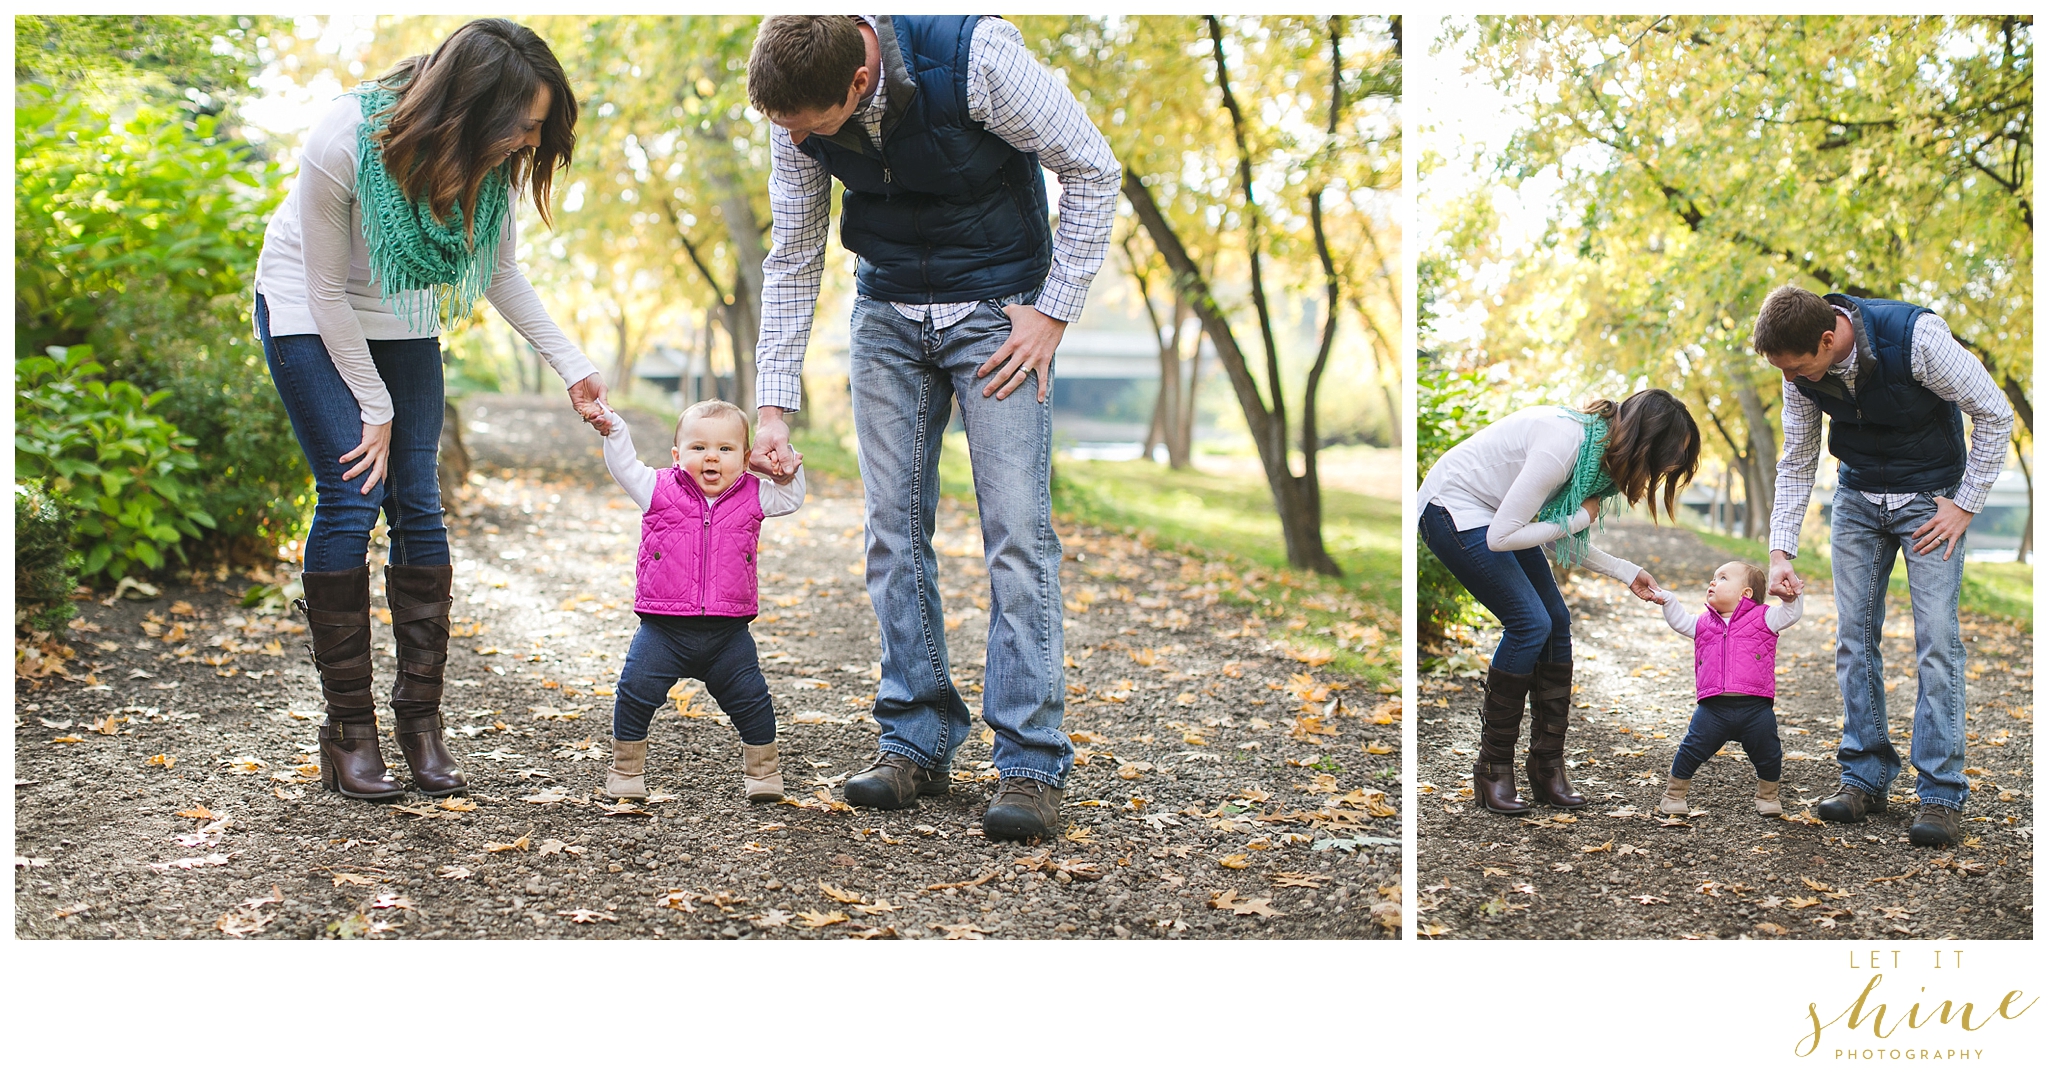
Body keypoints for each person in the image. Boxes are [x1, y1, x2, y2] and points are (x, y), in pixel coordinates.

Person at [741, 15, 1120, 840]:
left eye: (807, 122)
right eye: (783, 124)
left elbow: (1093, 169)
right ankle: (914, 738)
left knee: (1016, 534)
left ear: (857, 80)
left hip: (998, 314)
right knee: (892, 531)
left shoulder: (976, 58)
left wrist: (1053, 314)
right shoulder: (795, 116)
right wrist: (773, 405)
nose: (794, 137)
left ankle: (1029, 763)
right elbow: (796, 252)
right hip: (885, 316)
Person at [254, 19, 609, 801]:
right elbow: (323, 292)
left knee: (420, 504)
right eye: (523, 124)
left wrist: (574, 366)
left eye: (539, 129)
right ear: (474, 105)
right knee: (352, 498)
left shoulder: (490, 162)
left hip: (401, 314)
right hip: (309, 312)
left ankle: (421, 722)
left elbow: (499, 272)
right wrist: (371, 404)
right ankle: (349, 733)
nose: (529, 142)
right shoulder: (345, 136)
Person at [1754, 284, 2014, 847]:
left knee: (1937, 640)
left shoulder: (1918, 338)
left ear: (1829, 340)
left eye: (1799, 369)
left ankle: (1942, 793)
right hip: (1858, 498)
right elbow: (1798, 456)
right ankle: (1864, 777)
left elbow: (1994, 412)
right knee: (1853, 636)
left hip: (1930, 500)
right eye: (1786, 372)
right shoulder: (1797, 368)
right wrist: (1780, 552)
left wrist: (1965, 503)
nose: (1794, 380)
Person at [1419, 390, 1701, 814]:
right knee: (1530, 623)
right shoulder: (1563, 444)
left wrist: (1626, 571)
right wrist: (1579, 518)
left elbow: (1553, 535)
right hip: (1452, 507)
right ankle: (1493, 769)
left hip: (1496, 517)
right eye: (1664, 462)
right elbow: (1503, 537)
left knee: (1555, 620)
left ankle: (1546, 767)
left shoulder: (1596, 460)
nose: (1659, 475)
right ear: (1646, 443)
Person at [585, 400, 807, 803]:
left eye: (725, 449)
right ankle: (625, 771)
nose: (711, 457)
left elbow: (791, 499)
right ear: (677, 455)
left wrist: (785, 466)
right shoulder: (658, 488)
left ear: (745, 458)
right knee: (634, 692)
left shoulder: (755, 494)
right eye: (698, 447)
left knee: (753, 702)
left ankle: (764, 774)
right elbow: (624, 466)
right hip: (663, 630)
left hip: (728, 634)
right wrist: (615, 430)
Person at [1651, 561, 1805, 818]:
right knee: (1691, 748)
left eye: (1722, 578)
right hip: (1714, 708)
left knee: (1769, 752)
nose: (1713, 582)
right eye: (1713, 578)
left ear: (1745, 593)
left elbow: (1790, 614)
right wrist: (1668, 600)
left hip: (1755, 708)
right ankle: (1674, 795)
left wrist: (1790, 597)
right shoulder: (1703, 623)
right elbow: (1679, 621)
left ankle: (1768, 795)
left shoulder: (1764, 617)